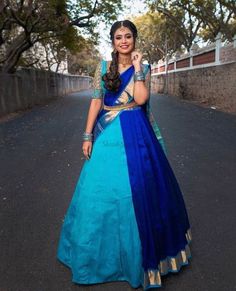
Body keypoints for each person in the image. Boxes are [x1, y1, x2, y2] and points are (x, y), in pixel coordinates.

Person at [57, 19, 192, 290]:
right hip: (107, 134)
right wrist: (87, 135)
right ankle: (96, 256)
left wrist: (139, 69)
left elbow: (141, 99)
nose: (123, 41)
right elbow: (97, 100)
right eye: (118, 37)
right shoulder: (103, 68)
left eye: (128, 36)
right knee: (98, 191)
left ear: (134, 39)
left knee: (139, 189)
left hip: (137, 133)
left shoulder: (144, 67)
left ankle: (138, 256)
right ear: (113, 41)